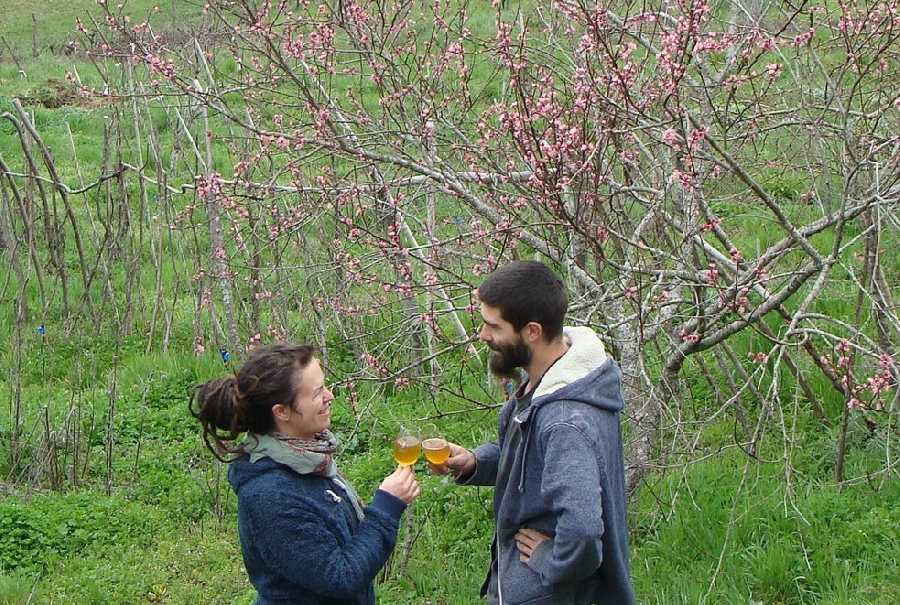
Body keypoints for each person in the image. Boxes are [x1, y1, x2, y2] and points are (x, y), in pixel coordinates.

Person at [429, 260, 635, 605]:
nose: (483, 336)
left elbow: (583, 530)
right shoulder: (547, 376)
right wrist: (474, 462)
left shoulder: (566, 421)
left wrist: (548, 559)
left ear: (532, 331)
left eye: (493, 326)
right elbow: (533, 455)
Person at [190, 343, 420, 605]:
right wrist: (385, 508)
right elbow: (339, 577)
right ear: (281, 412)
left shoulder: (305, 458)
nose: (330, 396)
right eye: (317, 392)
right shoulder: (271, 496)